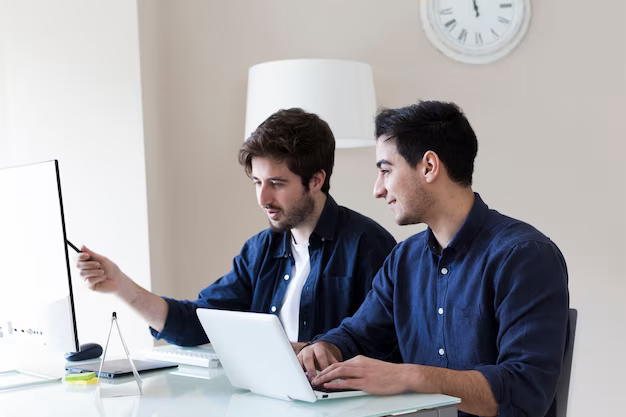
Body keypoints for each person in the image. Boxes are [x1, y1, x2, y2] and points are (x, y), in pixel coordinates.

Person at [298, 101, 569, 417]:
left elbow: (525, 390)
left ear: (429, 166)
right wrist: (324, 348)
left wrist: (410, 377)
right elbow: (358, 335)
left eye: (386, 170)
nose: (378, 189)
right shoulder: (404, 259)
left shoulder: (524, 256)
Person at [76, 108, 397, 352]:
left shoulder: (370, 245)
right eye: (257, 182)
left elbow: (384, 346)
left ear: (315, 180)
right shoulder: (259, 251)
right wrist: (120, 285)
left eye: (276, 184)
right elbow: (198, 322)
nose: (262, 198)